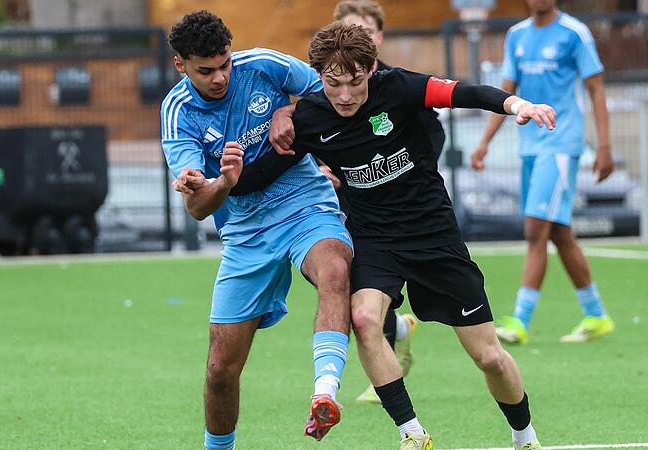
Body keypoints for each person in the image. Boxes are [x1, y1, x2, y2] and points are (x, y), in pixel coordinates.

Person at [232, 22, 553, 450]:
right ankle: (412, 434)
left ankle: (525, 436)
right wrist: (223, 182)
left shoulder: (399, 87)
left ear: (371, 71)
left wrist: (517, 105)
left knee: (489, 356)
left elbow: (464, 92)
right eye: (333, 84)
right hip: (375, 239)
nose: (344, 95)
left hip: (434, 234)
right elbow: (264, 173)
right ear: (320, 77)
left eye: (355, 83)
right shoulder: (310, 116)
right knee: (364, 319)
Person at [160, 11, 354, 448]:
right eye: (205, 71)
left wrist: (290, 108)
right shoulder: (178, 112)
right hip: (246, 231)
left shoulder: (264, 65)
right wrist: (223, 182)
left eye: (225, 64)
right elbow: (195, 207)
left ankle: (325, 393)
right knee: (220, 369)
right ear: (181, 65)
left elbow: (332, 94)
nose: (220, 78)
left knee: (334, 270)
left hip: (305, 201)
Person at [471, 0, 615, 345]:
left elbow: (596, 90)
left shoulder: (574, 34)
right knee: (559, 232)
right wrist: (485, 142)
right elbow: (504, 95)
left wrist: (605, 147)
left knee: (535, 228)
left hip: (561, 145)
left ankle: (519, 321)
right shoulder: (516, 35)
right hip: (530, 147)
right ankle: (596, 314)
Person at [333, 0, 444, 405]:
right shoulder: (329, 88)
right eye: (349, 31)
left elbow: (432, 137)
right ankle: (395, 332)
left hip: (402, 215)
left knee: (362, 300)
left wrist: (407, 177)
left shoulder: (400, 87)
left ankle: (390, 376)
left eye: (365, 31)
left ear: (379, 37)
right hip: (347, 206)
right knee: (340, 289)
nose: (357, 38)